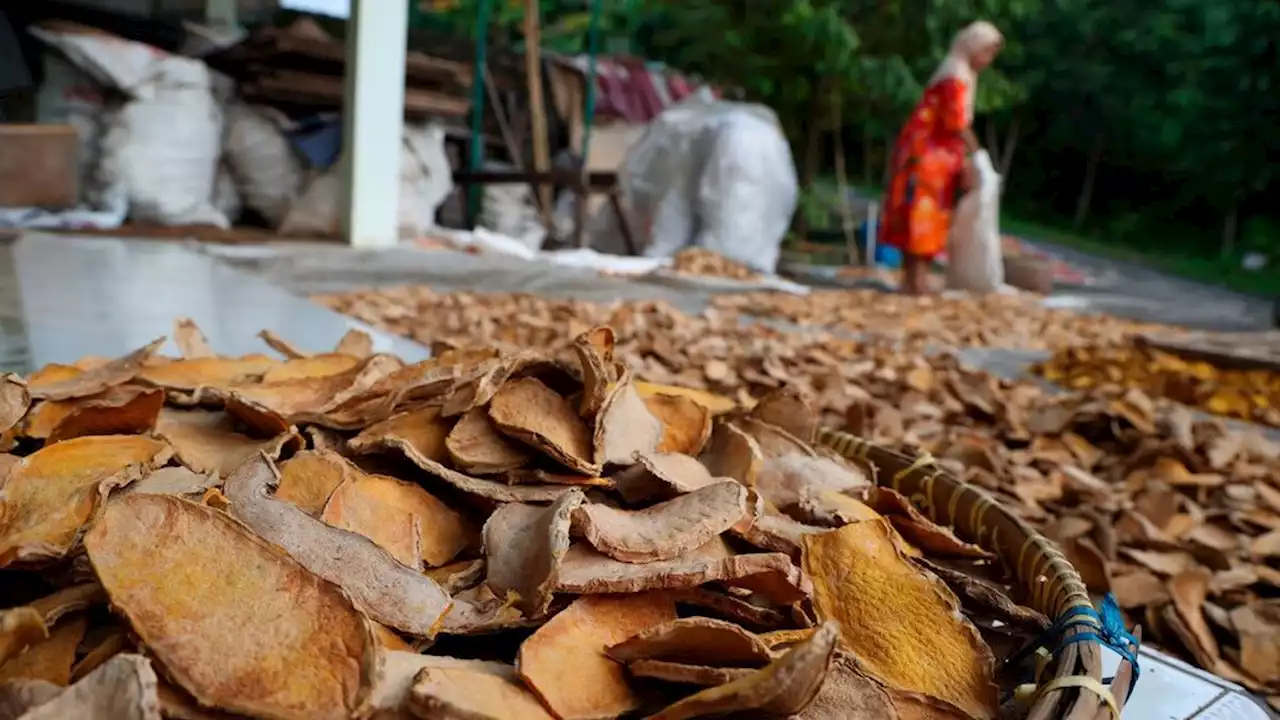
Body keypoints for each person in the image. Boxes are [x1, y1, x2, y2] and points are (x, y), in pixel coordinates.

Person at [880, 21, 1004, 295]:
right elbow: (956, 122)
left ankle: (913, 281)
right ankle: (914, 281)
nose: (988, 61)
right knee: (922, 216)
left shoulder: (958, 74)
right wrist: (978, 153)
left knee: (926, 217)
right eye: (988, 53)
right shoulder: (955, 77)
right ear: (974, 47)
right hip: (927, 156)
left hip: (933, 155)